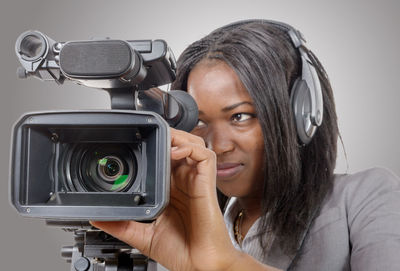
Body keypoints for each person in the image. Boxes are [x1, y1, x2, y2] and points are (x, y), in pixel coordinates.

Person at [91, 20, 400, 270]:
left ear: (300, 116)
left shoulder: (365, 197)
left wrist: (227, 265)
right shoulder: (180, 227)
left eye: (239, 116)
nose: (217, 145)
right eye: (198, 120)